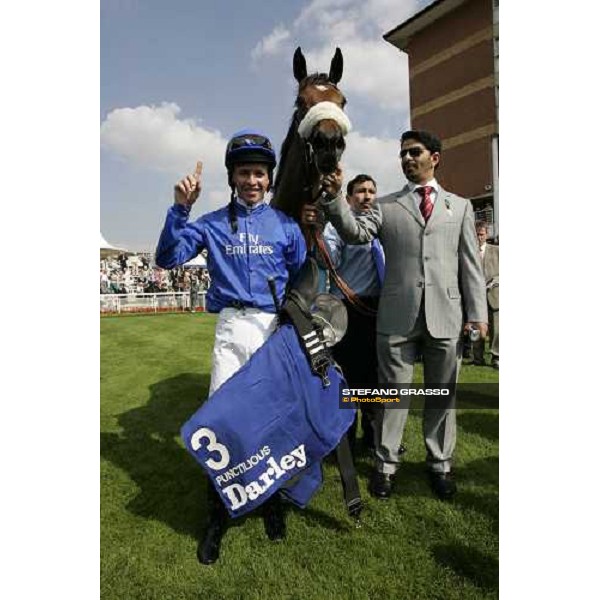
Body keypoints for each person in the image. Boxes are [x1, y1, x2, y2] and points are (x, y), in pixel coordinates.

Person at [304, 129, 487, 501]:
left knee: (441, 395)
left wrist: (477, 314)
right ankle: (386, 467)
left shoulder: (461, 206)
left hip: (446, 317)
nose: (406, 159)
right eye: (402, 154)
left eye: (413, 152)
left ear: (434, 157)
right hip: (397, 318)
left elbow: (470, 266)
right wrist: (337, 197)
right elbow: (355, 233)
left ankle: (440, 464)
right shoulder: (385, 207)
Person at [155, 129, 307, 565]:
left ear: (269, 177)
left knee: (274, 420)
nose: (252, 181)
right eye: (244, 173)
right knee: (222, 424)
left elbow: (299, 276)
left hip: (271, 329)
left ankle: (272, 503)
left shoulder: (285, 226)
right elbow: (167, 258)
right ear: (232, 177)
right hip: (230, 326)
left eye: (259, 173)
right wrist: (181, 208)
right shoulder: (211, 223)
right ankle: (216, 516)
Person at [318, 174, 384, 453]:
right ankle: (345, 440)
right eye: (360, 191)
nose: (366, 196)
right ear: (348, 198)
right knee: (346, 379)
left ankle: (373, 436)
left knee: (376, 378)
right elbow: (328, 258)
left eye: (371, 191)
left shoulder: (382, 226)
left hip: (379, 311)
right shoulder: (337, 228)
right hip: (347, 311)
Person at [473, 221, 499, 369]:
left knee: (497, 329)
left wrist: (494, 281)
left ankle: (496, 357)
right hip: (476, 298)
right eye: (476, 234)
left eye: (482, 234)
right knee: (476, 328)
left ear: (487, 235)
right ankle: (477, 358)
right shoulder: (468, 251)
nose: (479, 237)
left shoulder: (497, 251)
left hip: (494, 295)